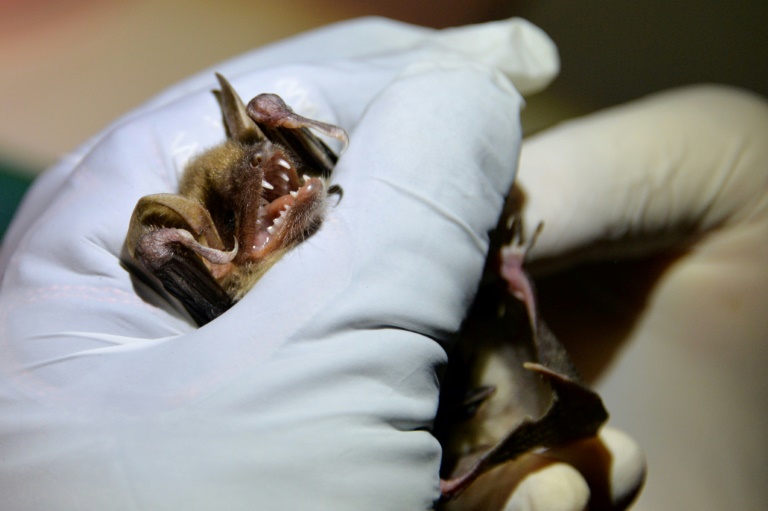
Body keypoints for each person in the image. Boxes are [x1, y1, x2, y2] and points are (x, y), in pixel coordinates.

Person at [1, 16, 765, 511]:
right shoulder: (212, 319)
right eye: (253, 202)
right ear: (212, 262)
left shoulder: (308, 170)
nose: (280, 177)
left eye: (281, 158)